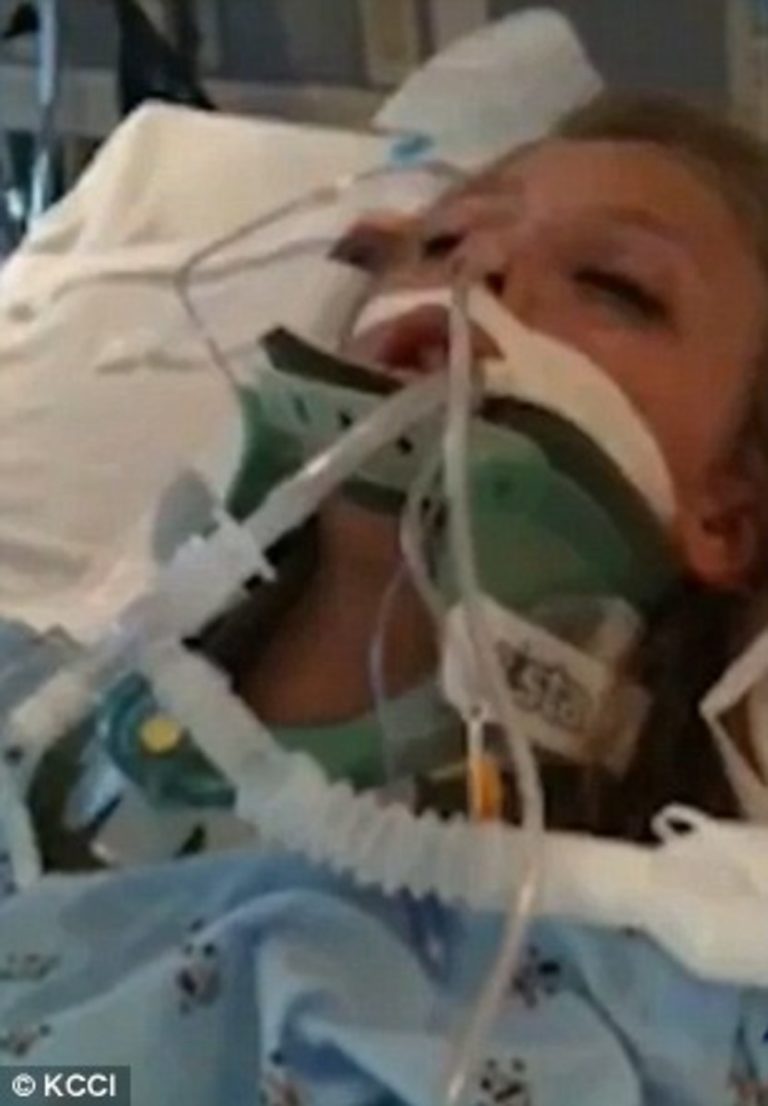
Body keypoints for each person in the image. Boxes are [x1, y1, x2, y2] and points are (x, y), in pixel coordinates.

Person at [4, 91, 768, 1106]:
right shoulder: (37, 714)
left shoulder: (662, 986)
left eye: (615, 287)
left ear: (729, 513)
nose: (479, 269)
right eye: (442, 239)